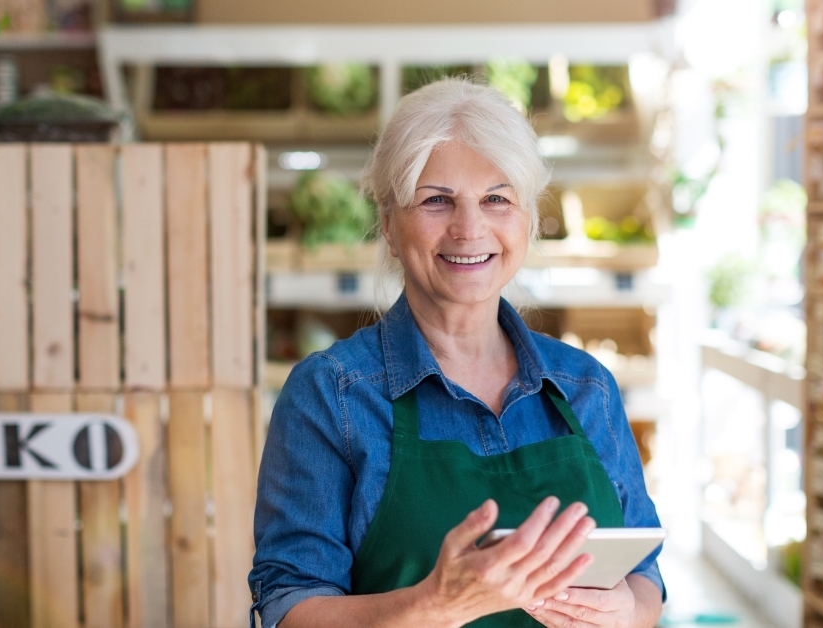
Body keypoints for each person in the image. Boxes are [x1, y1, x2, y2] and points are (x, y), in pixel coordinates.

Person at [249, 78, 664, 628]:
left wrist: (628, 613)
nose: (470, 229)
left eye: (496, 198)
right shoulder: (331, 395)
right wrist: (435, 605)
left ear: (527, 217)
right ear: (390, 225)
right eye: (436, 200)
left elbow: (646, 575)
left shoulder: (585, 386)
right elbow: (289, 607)